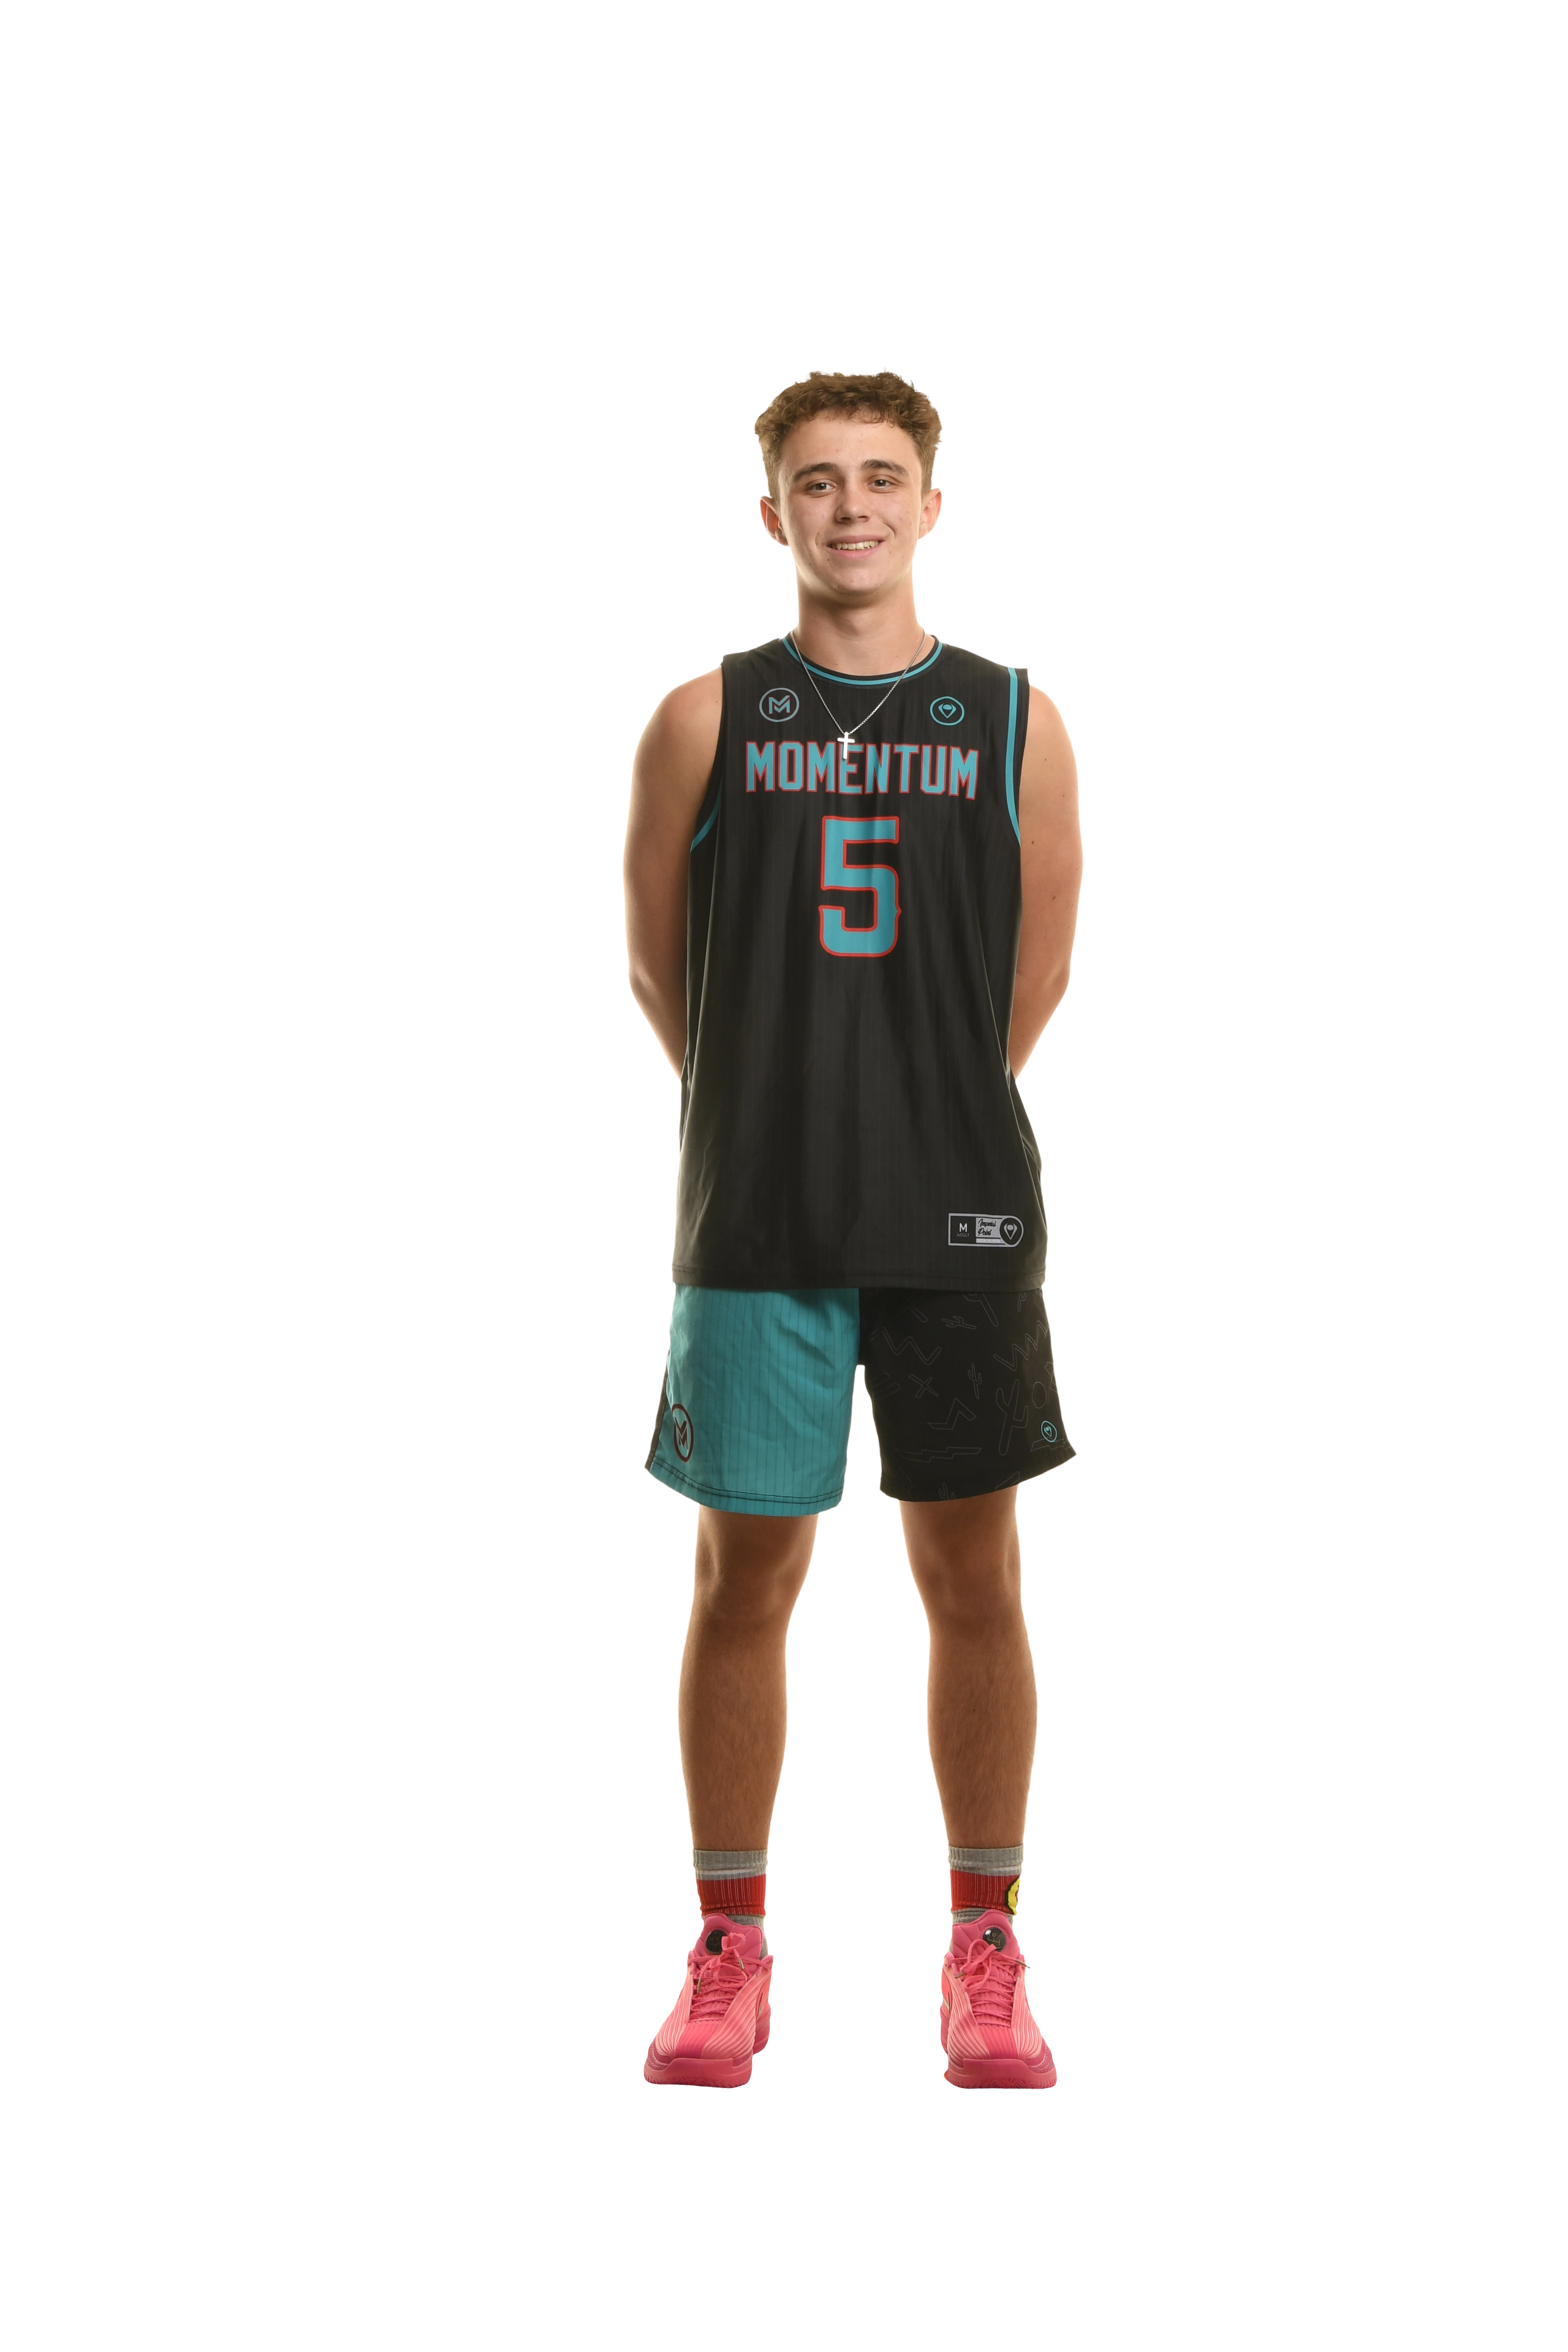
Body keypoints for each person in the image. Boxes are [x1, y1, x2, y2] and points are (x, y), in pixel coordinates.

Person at [625, 368, 1083, 2089]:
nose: (851, 508)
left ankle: (985, 1944)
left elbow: (1036, 973)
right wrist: (781, 1109)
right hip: (759, 1217)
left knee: (976, 1575)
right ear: (773, 510)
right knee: (743, 1576)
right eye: (817, 480)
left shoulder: (1016, 719)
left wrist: (917, 1110)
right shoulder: (704, 717)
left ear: (931, 504)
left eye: (882, 477)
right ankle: (730, 1950)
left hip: (959, 1218)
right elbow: (657, 967)